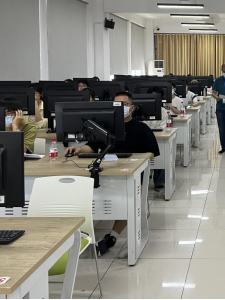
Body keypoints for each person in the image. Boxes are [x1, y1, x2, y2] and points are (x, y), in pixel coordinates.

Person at [64, 91, 160, 256]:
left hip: (133, 173)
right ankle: (79, 235)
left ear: (132, 108)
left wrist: (136, 161)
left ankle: (112, 236)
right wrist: (78, 150)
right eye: (117, 105)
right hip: (107, 170)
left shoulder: (142, 128)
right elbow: (91, 147)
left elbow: (152, 154)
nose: (121, 108)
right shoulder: (104, 128)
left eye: (125, 104)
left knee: (129, 200)